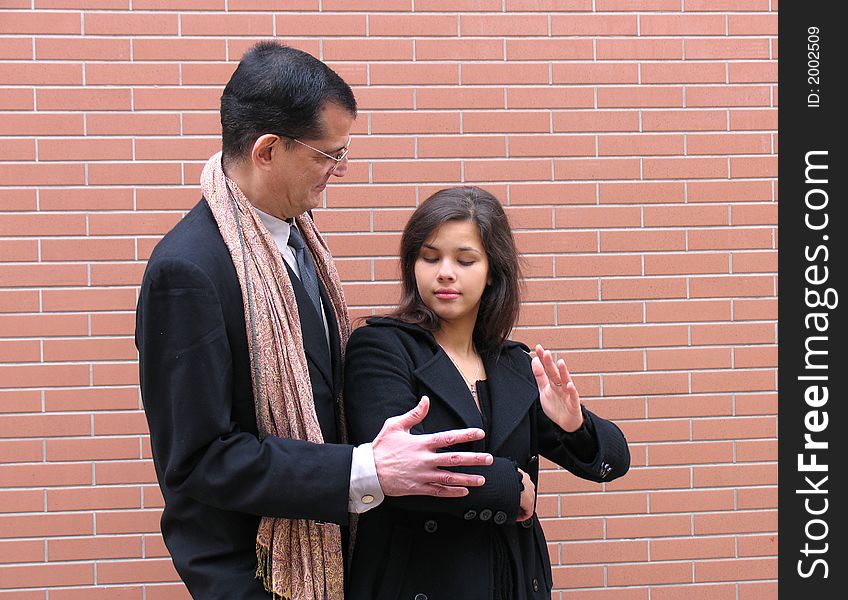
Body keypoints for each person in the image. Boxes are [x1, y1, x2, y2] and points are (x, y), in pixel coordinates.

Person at [135, 42, 495, 600]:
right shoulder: (190, 270)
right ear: (268, 150)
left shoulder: (297, 238)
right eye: (328, 154)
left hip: (332, 557)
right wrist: (365, 471)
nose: (341, 168)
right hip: (258, 574)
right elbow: (199, 460)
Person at [343, 186, 631, 600]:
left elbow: (612, 462)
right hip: (421, 580)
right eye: (430, 257)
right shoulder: (381, 348)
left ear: (492, 270)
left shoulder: (512, 363)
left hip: (513, 580)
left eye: (464, 260)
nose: (445, 272)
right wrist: (508, 488)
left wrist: (575, 424)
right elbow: (399, 466)